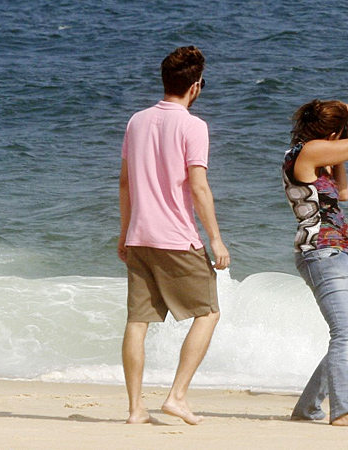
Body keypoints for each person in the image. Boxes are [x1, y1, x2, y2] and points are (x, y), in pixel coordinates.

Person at [117, 45, 230, 425]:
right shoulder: (193, 126)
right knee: (209, 313)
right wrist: (215, 239)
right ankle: (177, 396)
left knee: (137, 322)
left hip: (139, 236)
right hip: (176, 238)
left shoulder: (137, 120)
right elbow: (198, 187)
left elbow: (124, 184)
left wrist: (124, 233)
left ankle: (135, 410)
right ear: (195, 87)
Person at [282, 100, 348, 427]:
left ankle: (307, 406)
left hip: (343, 250)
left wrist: (339, 153)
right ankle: (344, 409)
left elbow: (343, 193)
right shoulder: (307, 153)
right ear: (333, 132)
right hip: (321, 250)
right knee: (345, 332)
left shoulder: (320, 155)